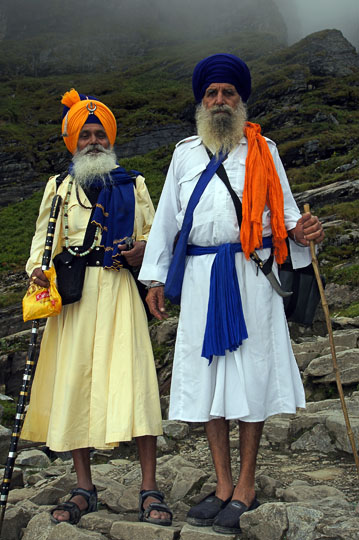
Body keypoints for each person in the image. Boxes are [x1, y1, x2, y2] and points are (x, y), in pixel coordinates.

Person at [139, 54, 324, 535]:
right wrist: (156, 279)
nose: (220, 101)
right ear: (202, 102)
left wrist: (303, 232)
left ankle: (245, 486)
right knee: (209, 380)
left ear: (241, 100)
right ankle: (221, 484)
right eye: (212, 94)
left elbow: (286, 219)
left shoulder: (266, 150)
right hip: (201, 280)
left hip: (251, 276)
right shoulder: (183, 154)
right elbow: (167, 224)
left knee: (249, 378)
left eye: (228, 93)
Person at [21, 89, 172, 527]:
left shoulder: (135, 183)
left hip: (120, 292)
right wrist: (36, 269)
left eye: (99, 133)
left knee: (135, 381)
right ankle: (84, 487)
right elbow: (40, 241)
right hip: (73, 298)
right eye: (85, 135)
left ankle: (149, 487)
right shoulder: (58, 187)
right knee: (75, 384)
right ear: (73, 141)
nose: (93, 141)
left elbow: (155, 235)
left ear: (110, 138)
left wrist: (144, 251)